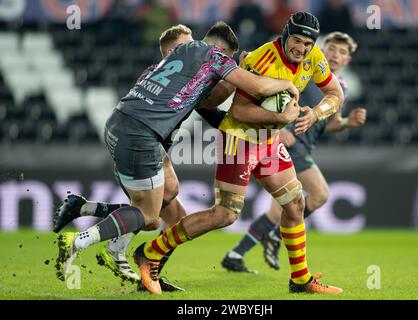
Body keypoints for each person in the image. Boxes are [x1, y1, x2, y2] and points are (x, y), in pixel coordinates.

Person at [55, 21, 300, 295]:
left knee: (173, 213)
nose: (225, 71)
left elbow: (209, 110)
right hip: (142, 136)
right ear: (222, 52)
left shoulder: (173, 65)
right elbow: (255, 86)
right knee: (148, 216)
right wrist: (284, 86)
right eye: (227, 62)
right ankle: (79, 240)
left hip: (122, 127)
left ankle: (134, 257)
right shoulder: (211, 55)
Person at [135, 12, 345, 295]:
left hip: (268, 141)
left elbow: (335, 94)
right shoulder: (261, 59)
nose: (302, 48)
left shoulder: (314, 57)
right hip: (240, 140)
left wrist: (315, 114)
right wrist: (282, 118)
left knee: (295, 205)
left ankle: (300, 279)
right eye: (296, 40)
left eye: (307, 43)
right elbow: (239, 111)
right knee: (225, 215)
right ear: (285, 35)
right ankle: (150, 252)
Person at [221, 31, 366, 273]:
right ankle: (277, 238)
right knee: (319, 194)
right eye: (331, 49)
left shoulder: (340, 89)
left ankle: (237, 253)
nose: (335, 55)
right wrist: (282, 126)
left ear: (347, 60)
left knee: (280, 209)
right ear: (321, 50)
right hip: (290, 143)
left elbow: (329, 124)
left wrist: (346, 123)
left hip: (305, 145)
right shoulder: (305, 72)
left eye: (342, 52)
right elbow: (279, 99)